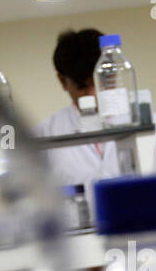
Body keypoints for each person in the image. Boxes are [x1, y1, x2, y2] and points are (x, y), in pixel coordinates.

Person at [33, 28, 122, 187]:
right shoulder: (44, 134)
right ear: (63, 81)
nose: (95, 95)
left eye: (104, 82)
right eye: (84, 87)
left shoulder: (149, 123)